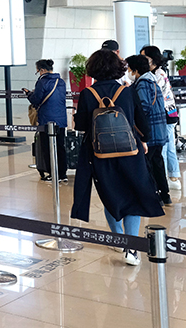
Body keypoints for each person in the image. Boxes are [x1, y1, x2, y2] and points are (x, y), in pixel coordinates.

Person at [70, 49, 163, 266]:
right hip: (130, 152)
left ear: (92, 68)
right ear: (117, 68)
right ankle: (131, 247)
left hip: (100, 154)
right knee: (133, 195)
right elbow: (140, 120)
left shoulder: (87, 93)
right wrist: (145, 140)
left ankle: (118, 239)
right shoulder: (126, 91)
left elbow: (81, 126)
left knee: (110, 195)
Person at [126, 54, 171, 205]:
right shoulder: (152, 80)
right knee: (157, 163)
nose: (129, 72)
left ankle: (155, 197)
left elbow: (143, 107)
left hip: (150, 131)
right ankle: (165, 195)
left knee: (148, 165)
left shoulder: (143, 83)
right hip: (158, 130)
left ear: (135, 69)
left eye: (129, 69)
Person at [141, 45, 181, 191]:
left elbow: (155, 96)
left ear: (152, 59)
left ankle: (163, 180)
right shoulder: (159, 72)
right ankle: (174, 177)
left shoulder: (156, 74)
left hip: (165, 116)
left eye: (145, 57)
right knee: (169, 147)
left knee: (163, 149)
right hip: (170, 114)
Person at [25, 59, 68, 182]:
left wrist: (28, 94)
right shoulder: (61, 82)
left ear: (42, 70)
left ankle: (52, 173)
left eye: (37, 71)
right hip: (61, 119)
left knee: (47, 147)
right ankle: (62, 174)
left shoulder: (42, 82)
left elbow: (36, 100)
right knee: (60, 146)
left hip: (46, 119)